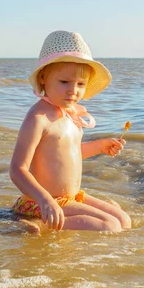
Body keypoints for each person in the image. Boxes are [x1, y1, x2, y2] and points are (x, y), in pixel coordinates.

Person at [9, 30, 131, 234]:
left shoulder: (70, 115)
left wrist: (100, 146)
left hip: (71, 197)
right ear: (43, 79)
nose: (73, 90)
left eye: (80, 84)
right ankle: (38, 223)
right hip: (41, 203)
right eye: (64, 82)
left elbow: (67, 154)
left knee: (124, 220)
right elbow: (17, 169)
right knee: (111, 226)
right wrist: (45, 200)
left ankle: (76, 216)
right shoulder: (38, 118)